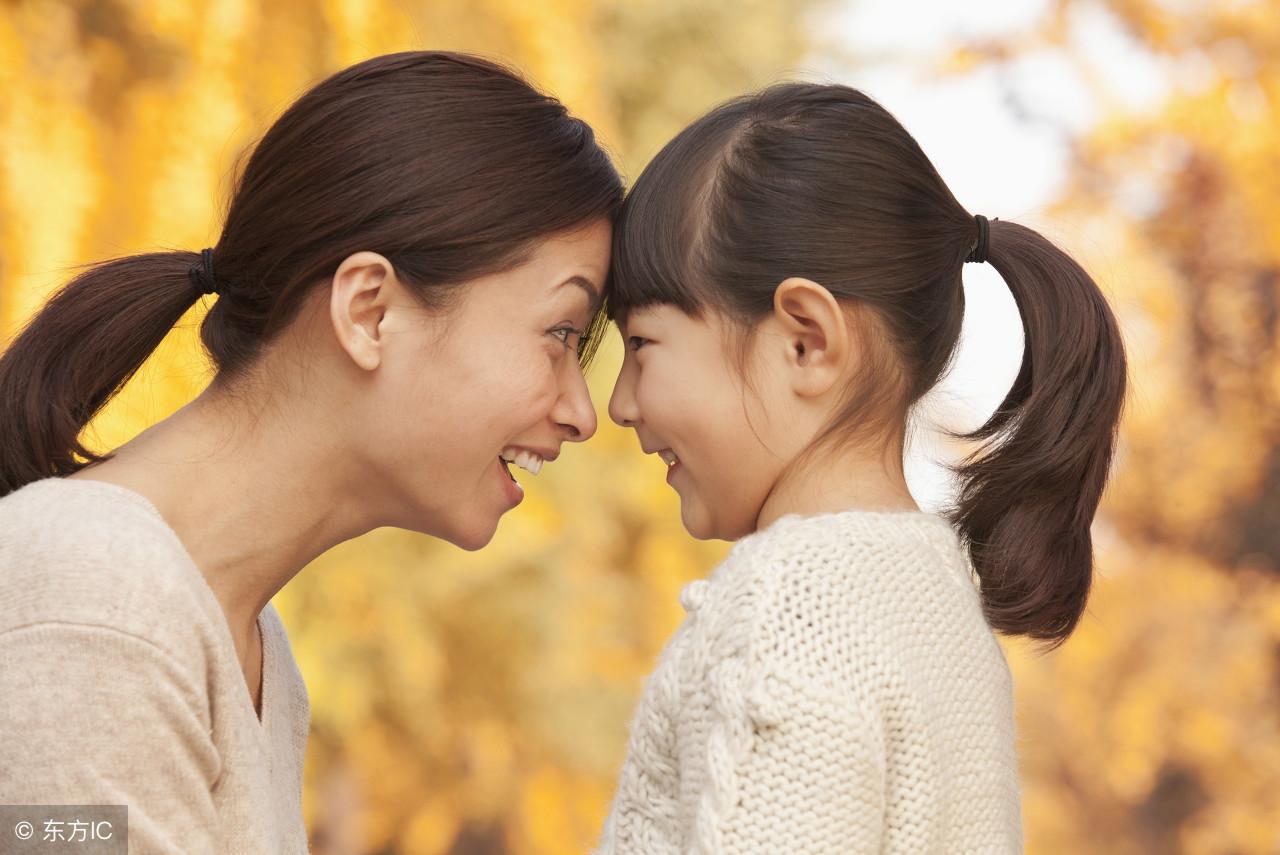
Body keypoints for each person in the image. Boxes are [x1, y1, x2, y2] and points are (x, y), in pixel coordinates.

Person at [0, 50, 622, 853]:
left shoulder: (256, 654)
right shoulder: (96, 597)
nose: (582, 412)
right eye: (561, 333)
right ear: (370, 311)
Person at [595, 82, 1127, 853]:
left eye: (641, 344)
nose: (620, 403)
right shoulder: (941, 609)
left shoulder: (785, 613)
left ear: (805, 341)